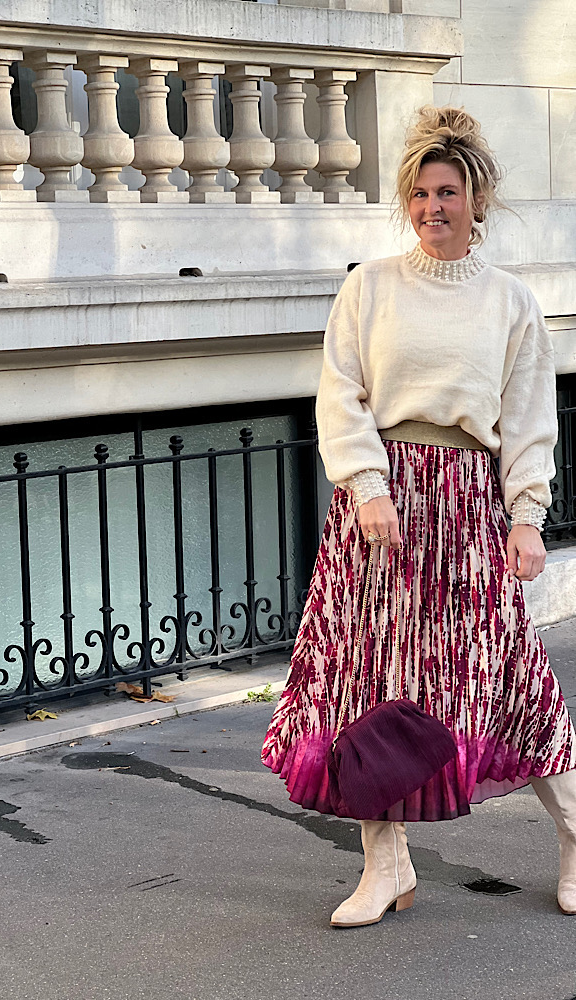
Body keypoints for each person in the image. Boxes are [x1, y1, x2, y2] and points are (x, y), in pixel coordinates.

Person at [261, 105, 576, 928]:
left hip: (467, 504)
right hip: (380, 510)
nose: (433, 207)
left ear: (477, 200)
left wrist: (527, 514)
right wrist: (367, 486)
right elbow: (342, 392)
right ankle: (385, 864)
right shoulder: (370, 286)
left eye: (448, 192)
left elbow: (528, 418)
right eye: (420, 194)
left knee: (505, 674)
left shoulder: (510, 301)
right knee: (368, 681)